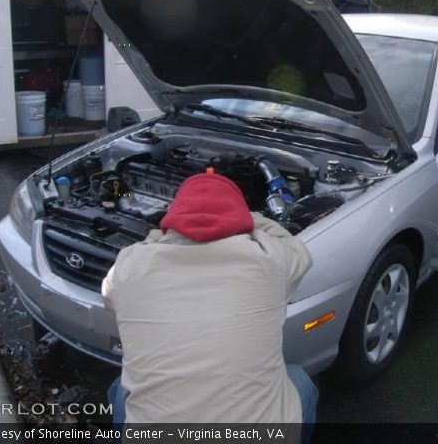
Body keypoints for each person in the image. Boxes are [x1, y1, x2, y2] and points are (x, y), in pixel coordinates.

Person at [102, 170, 317, 439]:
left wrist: (158, 236)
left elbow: (109, 295)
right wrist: (251, 218)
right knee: (301, 381)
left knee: (121, 390)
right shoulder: (269, 260)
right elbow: (298, 251)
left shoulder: (129, 265)